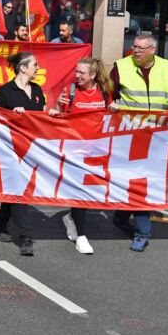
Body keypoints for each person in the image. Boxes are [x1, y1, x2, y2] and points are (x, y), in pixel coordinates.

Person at [109, 31, 168, 252]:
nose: (136, 51)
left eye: (141, 49)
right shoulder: (121, 67)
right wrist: (112, 105)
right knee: (141, 183)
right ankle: (142, 233)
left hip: (157, 135)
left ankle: (121, 216)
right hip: (130, 136)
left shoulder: (163, 66)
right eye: (134, 47)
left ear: (152, 50)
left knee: (141, 181)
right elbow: (108, 93)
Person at [0, 52, 59, 256]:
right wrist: (11, 115)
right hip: (10, 149)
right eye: (35, 65)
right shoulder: (5, 92)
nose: (38, 68)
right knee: (19, 191)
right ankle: (25, 236)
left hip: (31, 149)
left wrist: (51, 112)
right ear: (23, 67)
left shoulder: (37, 89)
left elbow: (39, 115)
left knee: (15, 190)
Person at [56, 56, 114, 255]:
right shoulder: (70, 91)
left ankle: (71, 218)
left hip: (97, 152)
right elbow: (58, 118)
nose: (77, 75)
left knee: (89, 193)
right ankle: (81, 235)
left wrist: (115, 110)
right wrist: (56, 107)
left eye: (81, 73)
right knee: (79, 193)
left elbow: (112, 119)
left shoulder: (105, 93)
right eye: (76, 71)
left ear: (92, 75)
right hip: (74, 152)